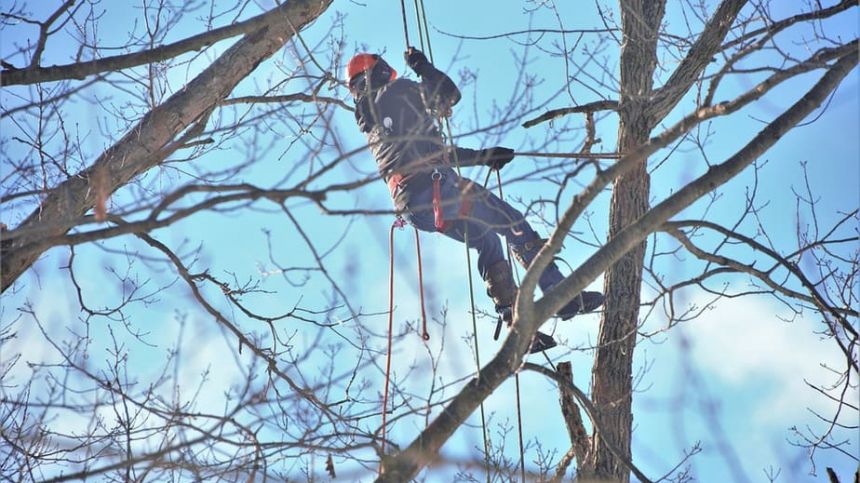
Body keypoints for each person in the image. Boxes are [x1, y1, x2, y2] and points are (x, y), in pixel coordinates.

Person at [347, 47, 604, 353]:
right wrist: (421, 65)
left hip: (417, 207)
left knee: (486, 238)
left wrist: (483, 157)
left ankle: (517, 324)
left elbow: (429, 156)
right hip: (436, 189)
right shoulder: (399, 92)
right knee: (510, 220)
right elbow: (448, 95)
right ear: (379, 71)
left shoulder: (373, 121)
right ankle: (560, 294)